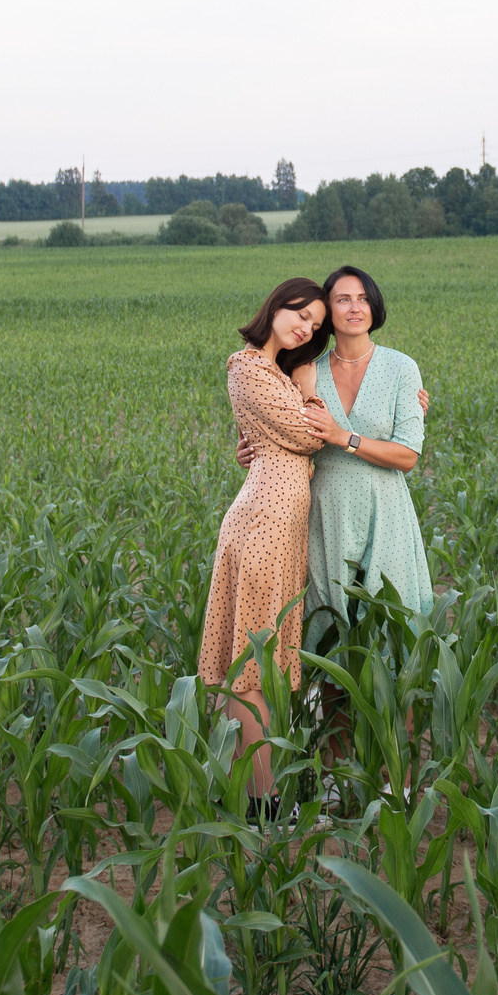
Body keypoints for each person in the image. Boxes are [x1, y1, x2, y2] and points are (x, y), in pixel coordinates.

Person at [198, 277, 331, 820]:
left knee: (256, 665)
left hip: (277, 527)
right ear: (275, 305)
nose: (306, 327)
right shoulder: (249, 367)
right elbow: (307, 435)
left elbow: (288, 436)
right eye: (301, 313)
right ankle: (264, 801)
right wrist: (308, 385)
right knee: (253, 668)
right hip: (262, 528)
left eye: (314, 325)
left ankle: (244, 789)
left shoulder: (271, 372)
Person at [298, 265, 434, 644]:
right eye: (343, 299)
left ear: (374, 308)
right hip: (327, 514)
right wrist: (249, 449)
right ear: (328, 310)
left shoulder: (401, 368)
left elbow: (407, 455)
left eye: (363, 298)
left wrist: (345, 437)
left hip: (384, 510)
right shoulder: (308, 371)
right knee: (329, 635)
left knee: (394, 636)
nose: (355, 307)